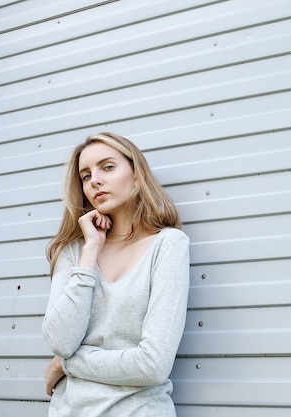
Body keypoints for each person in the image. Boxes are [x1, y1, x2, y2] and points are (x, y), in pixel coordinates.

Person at [42, 132, 189, 416]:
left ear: (137, 176)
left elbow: (153, 365)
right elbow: (61, 341)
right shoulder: (74, 251)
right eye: (85, 176)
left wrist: (65, 364)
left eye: (107, 167)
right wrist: (90, 251)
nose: (95, 180)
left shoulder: (168, 245)